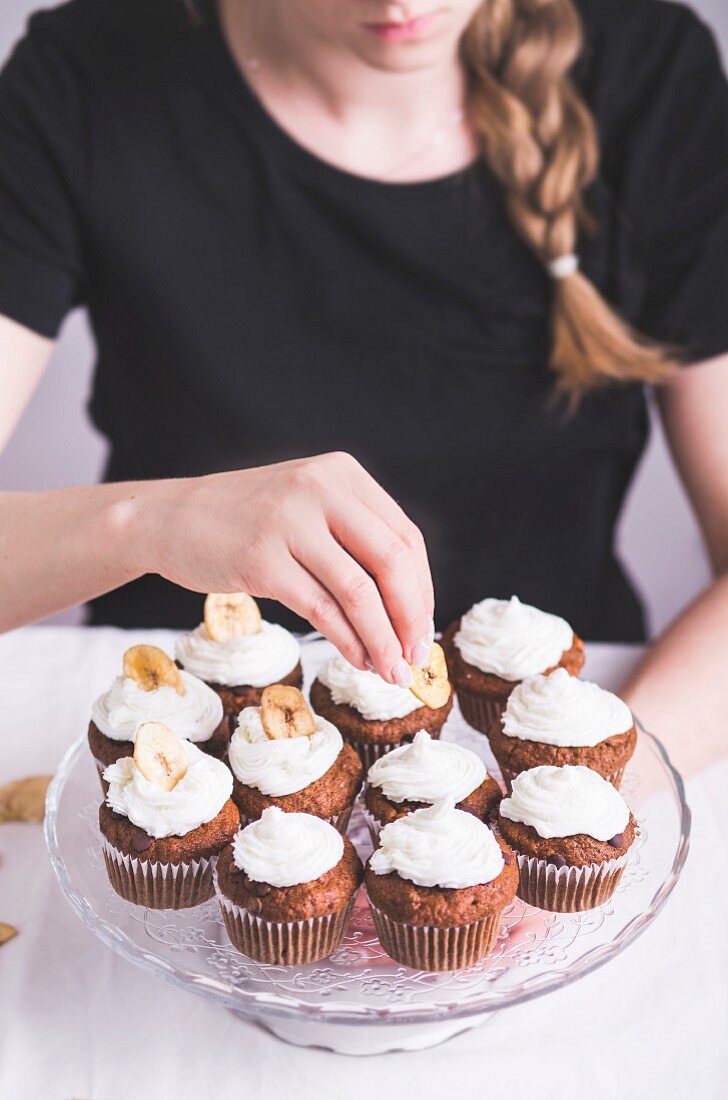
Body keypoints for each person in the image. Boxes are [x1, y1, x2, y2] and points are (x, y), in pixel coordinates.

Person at [1, 0, 727, 770]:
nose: (399, 4)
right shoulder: (88, 76)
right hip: (178, 752)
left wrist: (599, 794)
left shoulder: (649, 72)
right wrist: (147, 521)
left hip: (594, 732)